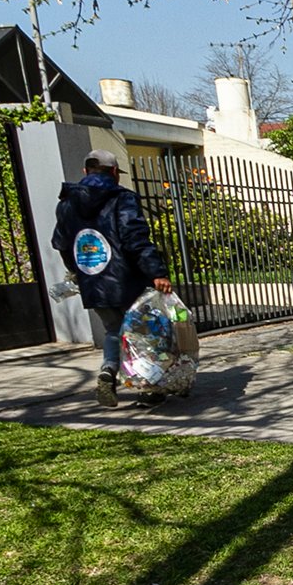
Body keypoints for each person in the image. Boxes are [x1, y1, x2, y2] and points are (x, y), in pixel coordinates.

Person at [52, 149, 174, 407]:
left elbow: (62, 243)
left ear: (85, 171)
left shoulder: (66, 203)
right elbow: (135, 238)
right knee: (144, 332)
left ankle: (108, 372)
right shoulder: (121, 199)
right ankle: (149, 387)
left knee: (112, 330)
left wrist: (77, 272)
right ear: (115, 173)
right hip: (127, 279)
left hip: (93, 280)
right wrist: (157, 273)